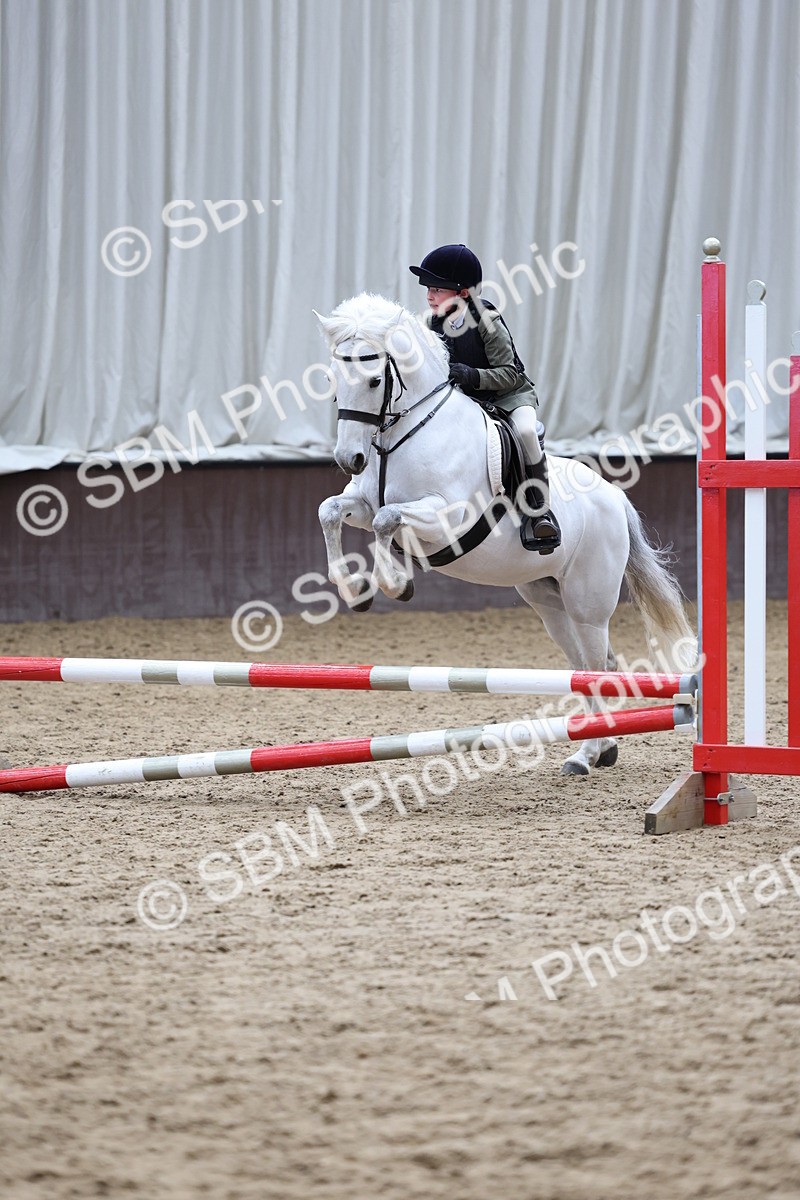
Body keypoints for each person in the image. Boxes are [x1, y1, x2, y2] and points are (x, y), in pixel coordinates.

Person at [409, 243, 561, 553]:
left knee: (526, 432)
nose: (429, 295)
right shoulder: (431, 324)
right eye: (428, 288)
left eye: (437, 289)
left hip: (509, 397)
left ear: (462, 293)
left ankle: (539, 512)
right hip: (467, 402)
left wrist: (472, 375)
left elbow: (511, 373)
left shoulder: (486, 319)